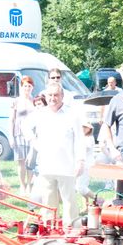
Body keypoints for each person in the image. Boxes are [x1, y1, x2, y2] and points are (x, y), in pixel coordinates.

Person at [25, 83, 84, 223]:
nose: (53, 98)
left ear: (62, 96)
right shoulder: (40, 114)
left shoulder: (72, 114)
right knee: (48, 203)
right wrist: (33, 141)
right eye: (50, 95)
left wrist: (80, 160)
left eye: (56, 95)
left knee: (69, 201)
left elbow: (80, 139)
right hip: (46, 166)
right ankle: (51, 229)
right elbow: (25, 126)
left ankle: (70, 229)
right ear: (46, 96)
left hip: (67, 166)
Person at [10, 76, 35, 194]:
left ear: (32, 87)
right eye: (25, 86)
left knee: (31, 161)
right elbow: (12, 120)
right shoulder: (16, 101)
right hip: (19, 134)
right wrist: (11, 137)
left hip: (32, 135)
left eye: (29, 86)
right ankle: (22, 185)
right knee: (21, 161)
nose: (27, 88)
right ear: (21, 87)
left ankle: (30, 185)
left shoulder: (35, 100)